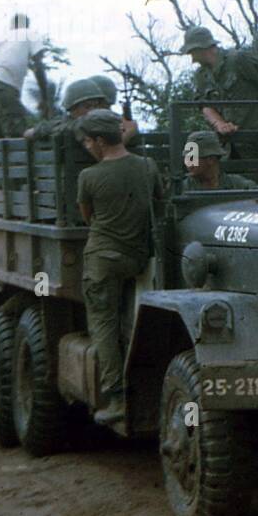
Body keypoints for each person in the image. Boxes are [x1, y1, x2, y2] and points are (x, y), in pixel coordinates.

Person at [76, 110, 164, 427]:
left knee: (104, 325)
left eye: (89, 140)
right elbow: (159, 203)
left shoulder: (89, 177)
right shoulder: (147, 166)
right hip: (138, 257)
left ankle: (116, 399)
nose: (88, 146)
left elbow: (88, 217)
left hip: (102, 258)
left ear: (101, 140)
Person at [180, 26, 258, 161]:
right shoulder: (201, 75)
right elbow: (205, 105)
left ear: (201, 48)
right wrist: (220, 124)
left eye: (192, 52)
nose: (192, 59)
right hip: (227, 148)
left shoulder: (239, 59)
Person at [0, 12, 47, 138]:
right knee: (18, 133)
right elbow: (38, 65)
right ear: (27, 25)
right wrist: (44, 98)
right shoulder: (30, 33)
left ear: (12, 26)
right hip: (4, 83)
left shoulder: (0, 38)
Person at [182, 131, 258, 192]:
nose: (188, 163)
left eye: (192, 158)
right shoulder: (183, 188)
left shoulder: (236, 185)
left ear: (210, 159)